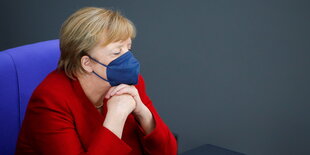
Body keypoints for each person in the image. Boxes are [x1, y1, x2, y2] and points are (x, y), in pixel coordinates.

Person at [15, 7, 177, 155]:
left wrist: (143, 113)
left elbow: (168, 151)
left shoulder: (128, 82)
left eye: (128, 48)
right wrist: (116, 116)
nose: (128, 59)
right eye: (117, 52)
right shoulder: (49, 101)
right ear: (87, 63)